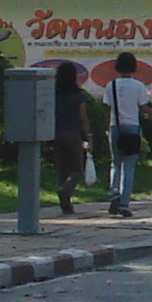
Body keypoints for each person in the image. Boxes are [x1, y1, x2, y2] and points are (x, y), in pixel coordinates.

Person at [104, 49, 152, 217]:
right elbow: (143, 108)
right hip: (132, 127)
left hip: (115, 127)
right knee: (129, 166)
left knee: (116, 163)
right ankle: (124, 204)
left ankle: (114, 193)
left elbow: (106, 107)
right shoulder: (138, 86)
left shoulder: (111, 85)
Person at [47, 57, 92, 217]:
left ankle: (65, 206)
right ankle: (65, 190)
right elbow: (83, 118)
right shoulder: (77, 95)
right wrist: (88, 137)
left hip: (55, 133)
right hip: (73, 133)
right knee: (77, 171)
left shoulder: (53, 93)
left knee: (62, 170)